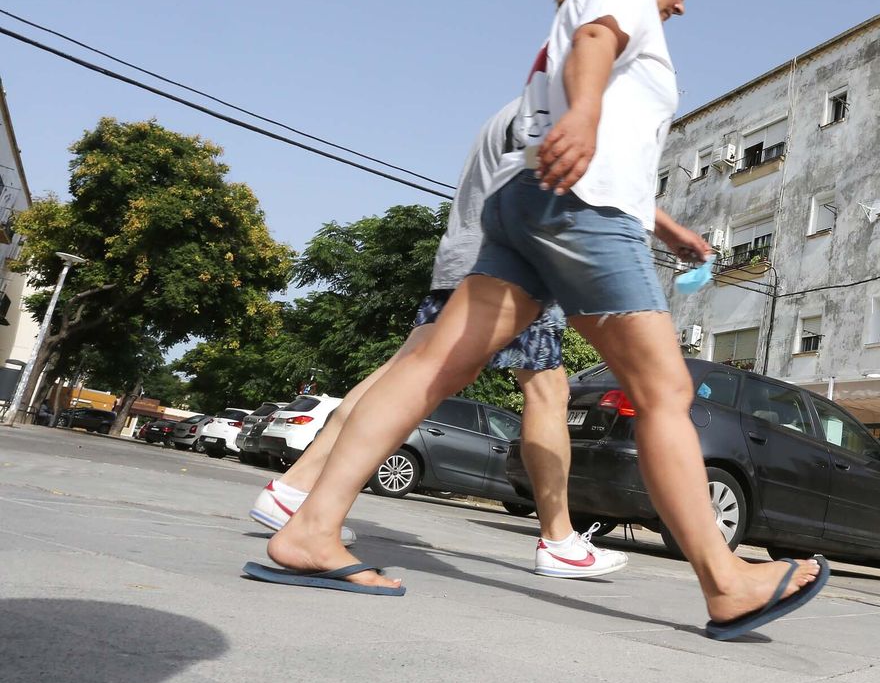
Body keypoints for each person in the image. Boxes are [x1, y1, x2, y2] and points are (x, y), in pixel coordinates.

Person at [251, 0, 828, 638]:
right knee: (665, 390)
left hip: (528, 203)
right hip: (583, 212)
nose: (682, 5)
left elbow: (588, 128)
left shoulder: (581, 7)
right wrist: (586, 115)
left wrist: (665, 223)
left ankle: (312, 527)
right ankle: (725, 580)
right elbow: (595, 60)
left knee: (430, 367)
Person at [247, 99, 627, 578]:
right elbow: (553, 193)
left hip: (464, 257)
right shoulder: (562, 107)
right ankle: (558, 540)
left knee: (402, 373)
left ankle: (295, 489)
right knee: (546, 391)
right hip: (509, 267)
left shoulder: (521, 106)